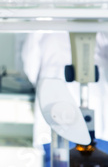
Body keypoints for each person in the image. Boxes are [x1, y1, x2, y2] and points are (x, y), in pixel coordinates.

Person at [21, 32, 108, 166]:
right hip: (98, 114)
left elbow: (31, 68)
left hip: (56, 112)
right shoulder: (100, 20)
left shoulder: (41, 23)